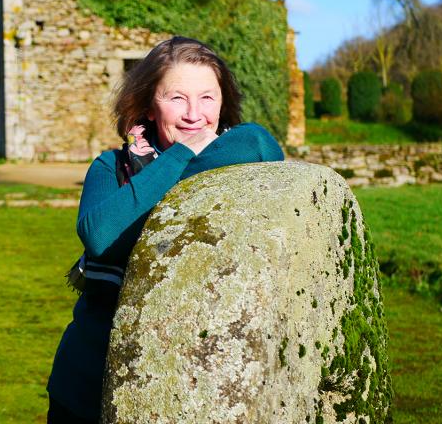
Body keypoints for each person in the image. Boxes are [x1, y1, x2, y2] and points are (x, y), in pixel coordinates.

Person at [46, 36, 284, 423]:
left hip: (197, 383)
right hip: (88, 383)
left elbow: (258, 144)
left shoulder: (240, 164)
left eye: (207, 98)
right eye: (176, 98)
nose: (193, 114)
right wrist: (183, 153)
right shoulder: (112, 168)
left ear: (223, 104)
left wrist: (166, 179)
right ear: (148, 106)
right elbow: (100, 234)